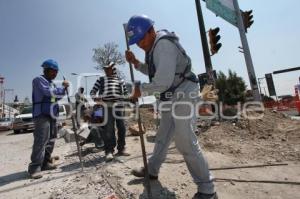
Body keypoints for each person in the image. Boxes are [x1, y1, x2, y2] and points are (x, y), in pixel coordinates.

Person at [125, 15, 218, 199]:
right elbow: (153, 71)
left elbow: (162, 81)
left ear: (151, 31)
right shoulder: (152, 48)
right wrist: (136, 63)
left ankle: (208, 190)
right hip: (170, 95)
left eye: (141, 39)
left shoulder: (163, 45)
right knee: (163, 135)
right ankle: (151, 170)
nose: (140, 45)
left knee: (185, 141)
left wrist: (139, 90)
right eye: (135, 43)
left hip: (184, 92)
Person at [28, 59, 69, 179]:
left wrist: (64, 89)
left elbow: (58, 96)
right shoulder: (38, 80)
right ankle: (34, 167)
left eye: (56, 72)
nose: (55, 74)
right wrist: (63, 87)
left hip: (52, 115)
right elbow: (49, 93)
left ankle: (45, 163)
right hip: (41, 114)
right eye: (52, 71)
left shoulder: (52, 83)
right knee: (41, 140)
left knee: (51, 139)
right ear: (45, 69)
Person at [90, 62, 130, 162]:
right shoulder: (101, 80)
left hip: (119, 107)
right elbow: (92, 92)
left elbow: (125, 93)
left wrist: (128, 98)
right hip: (107, 107)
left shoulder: (120, 80)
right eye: (105, 69)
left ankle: (121, 149)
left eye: (108, 68)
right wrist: (97, 99)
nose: (106, 70)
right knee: (109, 129)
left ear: (113, 69)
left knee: (122, 128)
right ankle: (109, 151)